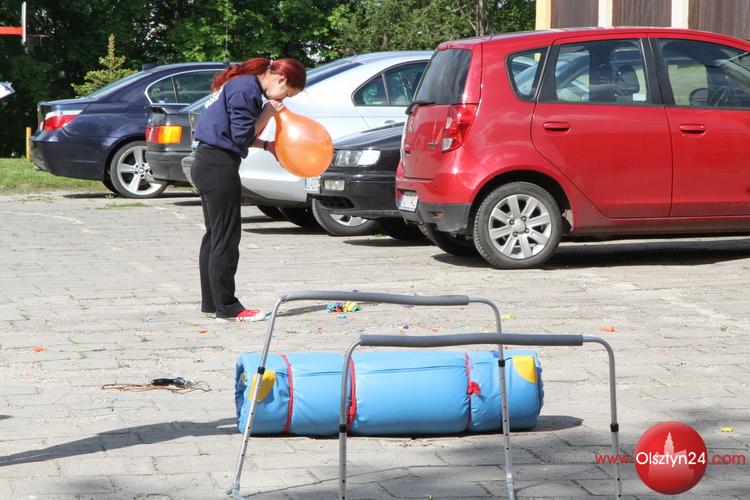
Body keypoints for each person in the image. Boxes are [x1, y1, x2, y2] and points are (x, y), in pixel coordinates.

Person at [192, 57, 305, 322]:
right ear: (281, 79)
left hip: (207, 162)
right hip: (218, 166)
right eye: (286, 94)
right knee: (226, 239)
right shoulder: (247, 90)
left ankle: (212, 304)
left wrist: (267, 145)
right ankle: (228, 308)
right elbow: (240, 136)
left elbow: (231, 132)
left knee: (215, 236)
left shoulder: (241, 84)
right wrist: (268, 112)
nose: (283, 99)